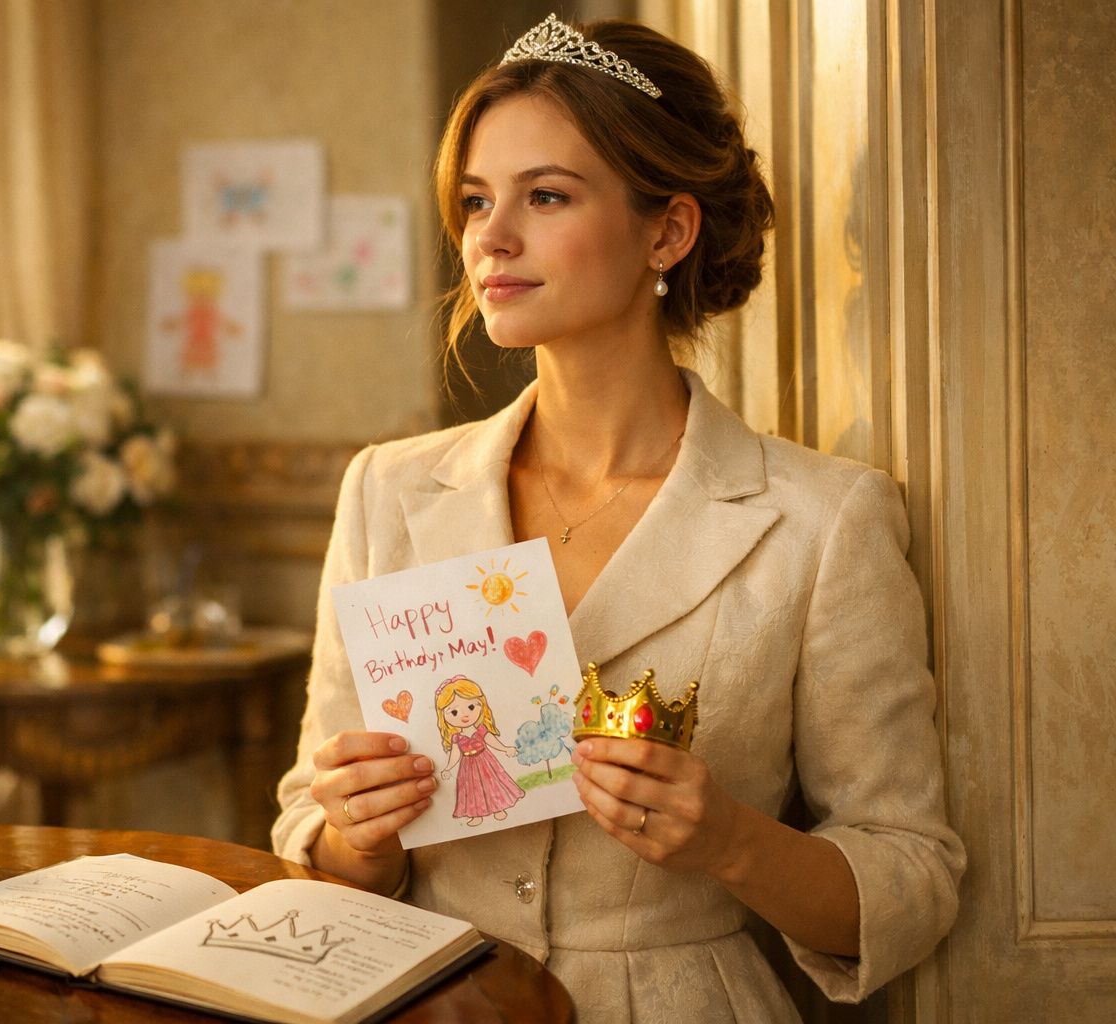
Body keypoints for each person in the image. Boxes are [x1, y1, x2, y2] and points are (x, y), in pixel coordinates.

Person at [272, 14, 965, 1022]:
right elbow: (313, 827)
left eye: (544, 196)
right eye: (474, 201)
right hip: (424, 1000)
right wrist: (356, 839)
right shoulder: (386, 490)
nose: (488, 238)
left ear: (668, 231)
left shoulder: (821, 521)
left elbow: (913, 875)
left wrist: (729, 838)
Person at [433, 675, 524, 825]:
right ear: (444, 716)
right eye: (454, 712)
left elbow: (491, 740)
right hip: (467, 766)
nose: (465, 715)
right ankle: (475, 814)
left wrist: (505, 748)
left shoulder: (481, 730)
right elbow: (455, 754)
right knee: (471, 788)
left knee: (492, 784)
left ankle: (499, 807)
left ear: (481, 704)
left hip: (485, 761)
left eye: (471, 707)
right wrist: (448, 768)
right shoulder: (457, 737)